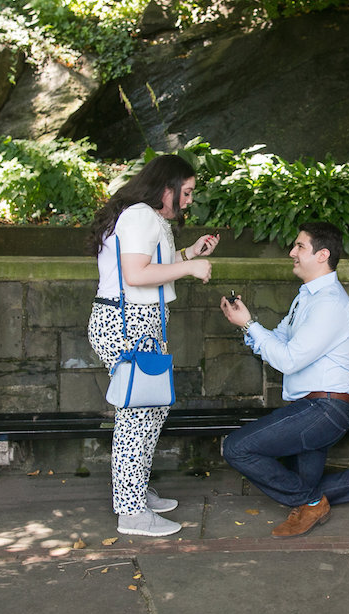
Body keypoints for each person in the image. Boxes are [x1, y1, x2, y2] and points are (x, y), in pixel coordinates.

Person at [219, 222, 349, 538]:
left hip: (323, 411)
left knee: (236, 448)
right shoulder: (307, 296)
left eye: (300, 246)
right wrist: (247, 325)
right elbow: (278, 342)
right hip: (311, 407)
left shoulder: (329, 303)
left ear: (322, 254)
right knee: (306, 485)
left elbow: (288, 360)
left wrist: (250, 325)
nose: (292, 252)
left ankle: (312, 503)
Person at [87, 154, 219, 537]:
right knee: (138, 415)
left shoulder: (145, 216)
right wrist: (191, 269)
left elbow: (150, 265)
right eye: (188, 191)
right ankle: (131, 512)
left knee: (151, 408)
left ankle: (136, 493)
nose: (190, 200)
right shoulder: (142, 216)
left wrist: (190, 254)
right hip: (126, 322)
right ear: (168, 189)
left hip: (135, 322)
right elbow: (136, 274)